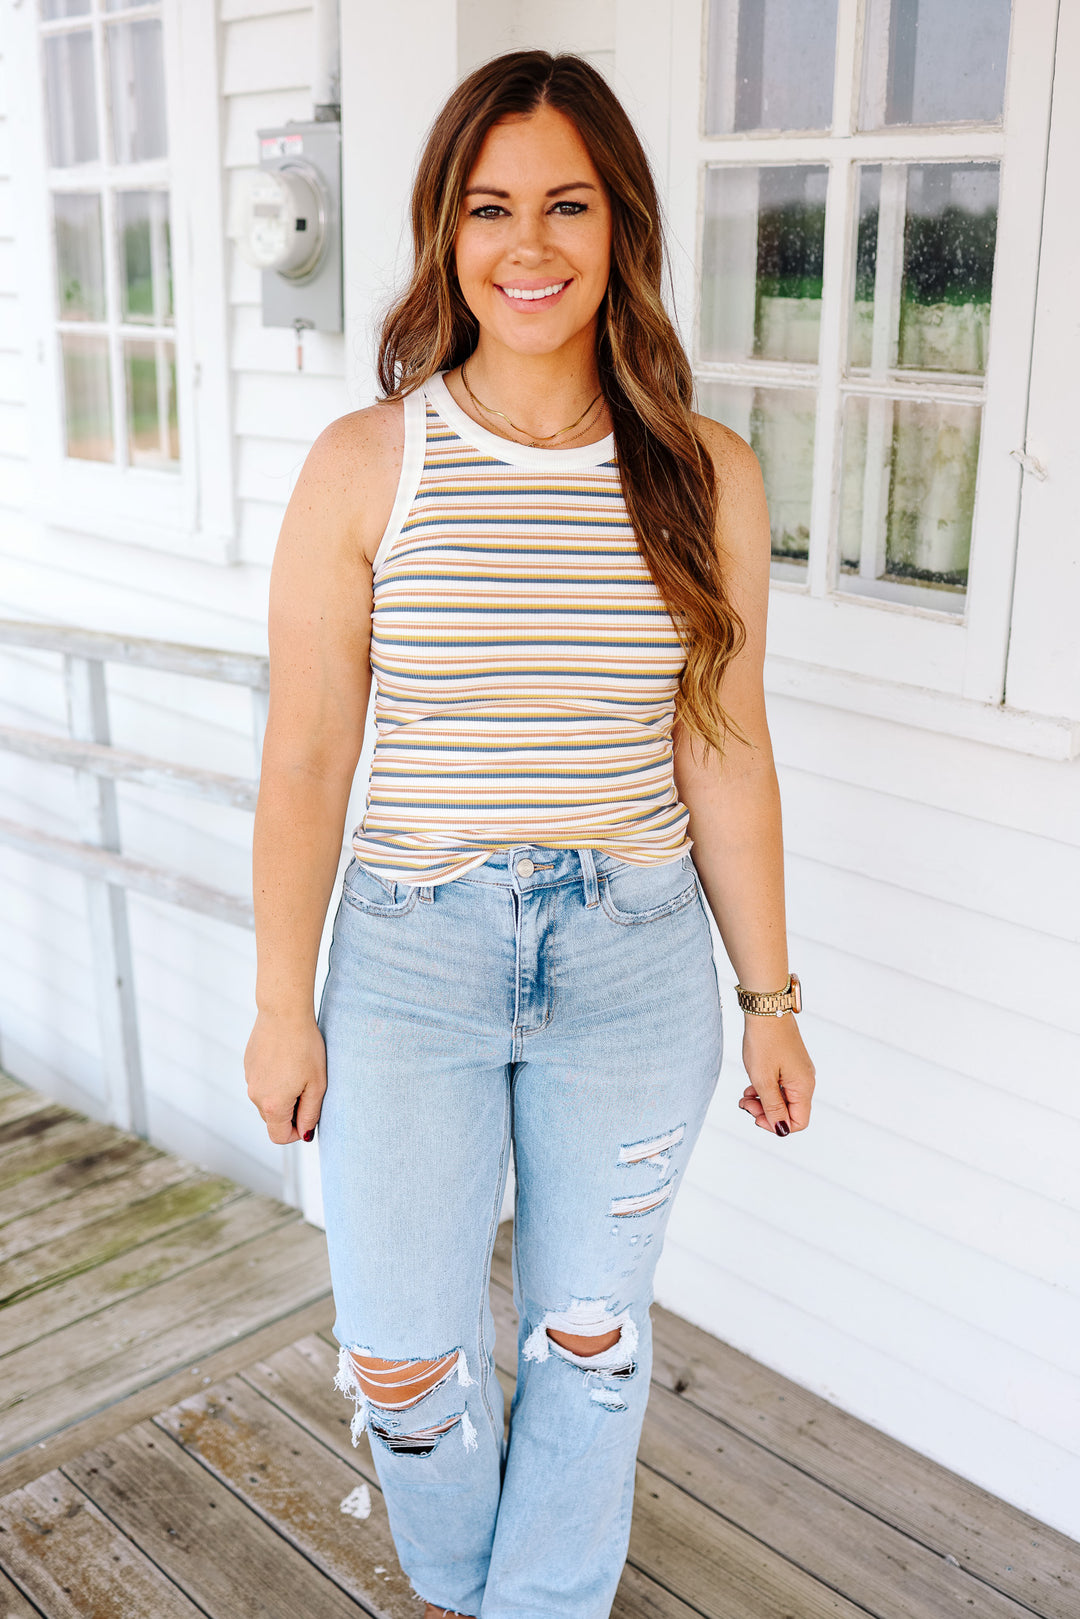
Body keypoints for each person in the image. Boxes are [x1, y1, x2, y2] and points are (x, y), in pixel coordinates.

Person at [244, 48, 816, 1619]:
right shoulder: (369, 465)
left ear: (620, 222)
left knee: (587, 1338)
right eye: (491, 207)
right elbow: (303, 759)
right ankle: (460, 1585)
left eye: (568, 203)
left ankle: (542, 1605)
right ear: (445, 231)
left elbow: (726, 742)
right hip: (410, 961)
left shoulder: (708, 478)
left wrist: (771, 997)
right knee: (404, 1355)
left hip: (635, 961)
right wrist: (281, 1000)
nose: (530, 244)